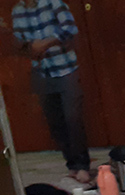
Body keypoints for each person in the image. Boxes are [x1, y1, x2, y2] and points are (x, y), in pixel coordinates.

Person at [9, 0, 89, 183]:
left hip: (66, 69)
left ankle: (83, 165)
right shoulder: (17, 11)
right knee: (55, 122)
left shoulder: (53, 3)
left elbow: (70, 29)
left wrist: (45, 43)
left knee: (73, 118)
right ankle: (72, 165)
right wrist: (29, 48)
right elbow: (19, 42)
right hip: (41, 71)